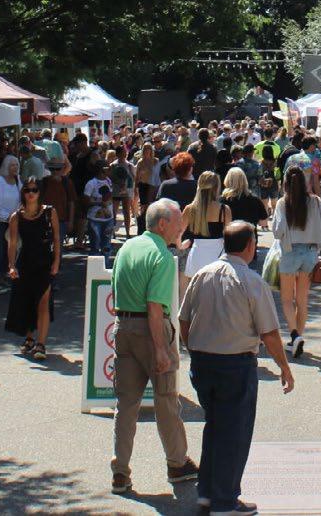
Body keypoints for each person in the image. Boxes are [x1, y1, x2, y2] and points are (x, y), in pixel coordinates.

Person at [180, 221, 293, 516]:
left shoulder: (202, 274)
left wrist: (193, 349)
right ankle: (225, 501)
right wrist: (284, 366)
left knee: (215, 426)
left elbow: (184, 319)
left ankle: (208, 493)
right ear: (250, 246)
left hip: (203, 362)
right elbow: (269, 333)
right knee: (233, 433)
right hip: (235, 363)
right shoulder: (251, 281)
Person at [110, 199, 198, 494]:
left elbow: (116, 291)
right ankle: (177, 463)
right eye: (177, 221)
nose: (181, 227)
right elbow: (154, 307)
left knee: (126, 404)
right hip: (151, 331)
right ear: (162, 224)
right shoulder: (161, 255)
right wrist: (160, 349)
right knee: (166, 399)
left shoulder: (127, 248)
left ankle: (120, 471)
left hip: (123, 327)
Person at [271, 166, 321, 359]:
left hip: (290, 252)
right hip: (310, 253)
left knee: (286, 299)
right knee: (302, 299)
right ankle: (298, 337)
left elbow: (277, 232)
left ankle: (294, 335)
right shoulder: (316, 202)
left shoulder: (283, 203)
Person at [6, 177, 60, 361]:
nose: (31, 193)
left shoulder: (50, 212)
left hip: (44, 261)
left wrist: (56, 262)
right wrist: (11, 265)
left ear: (40, 192)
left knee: (43, 302)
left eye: (34, 190)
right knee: (28, 301)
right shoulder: (16, 217)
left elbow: (57, 239)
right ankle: (30, 337)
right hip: (25, 262)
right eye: (27, 190)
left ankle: (41, 343)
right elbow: (13, 243)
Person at [0, 155, 22, 287]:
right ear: (6, 166)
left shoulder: (18, 180)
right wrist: (7, 217)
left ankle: (2, 276)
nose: (15, 167)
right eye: (12, 165)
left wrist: (16, 216)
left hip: (13, 221)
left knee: (9, 250)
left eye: (17, 164)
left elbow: (21, 200)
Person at [85, 163, 117, 257]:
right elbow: (86, 201)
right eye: (107, 168)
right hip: (95, 219)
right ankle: (94, 264)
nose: (109, 171)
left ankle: (105, 264)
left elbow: (111, 199)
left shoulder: (108, 181)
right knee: (95, 244)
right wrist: (98, 203)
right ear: (101, 170)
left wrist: (114, 214)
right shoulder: (91, 183)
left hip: (108, 219)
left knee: (106, 245)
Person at [109, 147, 137, 237]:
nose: (125, 154)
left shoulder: (129, 165)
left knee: (126, 212)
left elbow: (134, 178)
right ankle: (112, 232)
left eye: (125, 152)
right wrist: (118, 182)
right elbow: (110, 178)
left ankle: (127, 232)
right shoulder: (113, 165)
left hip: (126, 191)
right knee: (114, 212)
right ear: (118, 154)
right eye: (123, 152)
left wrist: (130, 186)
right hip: (115, 191)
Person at [135, 142, 160, 235]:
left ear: (151, 150)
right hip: (143, 185)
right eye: (145, 148)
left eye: (148, 148)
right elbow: (137, 176)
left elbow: (158, 175)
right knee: (143, 206)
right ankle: (142, 226)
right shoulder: (140, 162)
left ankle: (150, 225)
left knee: (151, 205)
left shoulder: (156, 161)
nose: (146, 150)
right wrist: (135, 188)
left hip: (153, 186)